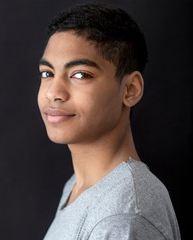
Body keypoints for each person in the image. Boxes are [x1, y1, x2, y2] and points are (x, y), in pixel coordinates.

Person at [37, 3, 180, 239]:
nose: (54, 92)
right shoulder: (79, 186)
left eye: (80, 75)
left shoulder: (121, 219)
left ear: (130, 90)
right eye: (47, 73)